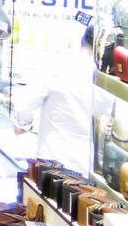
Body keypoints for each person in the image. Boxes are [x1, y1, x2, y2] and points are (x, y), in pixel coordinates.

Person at [13, 25, 112, 176]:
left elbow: (23, 105)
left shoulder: (57, 64)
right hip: (86, 168)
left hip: (51, 158)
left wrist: (24, 125)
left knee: (43, 199)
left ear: (82, 39)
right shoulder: (107, 82)